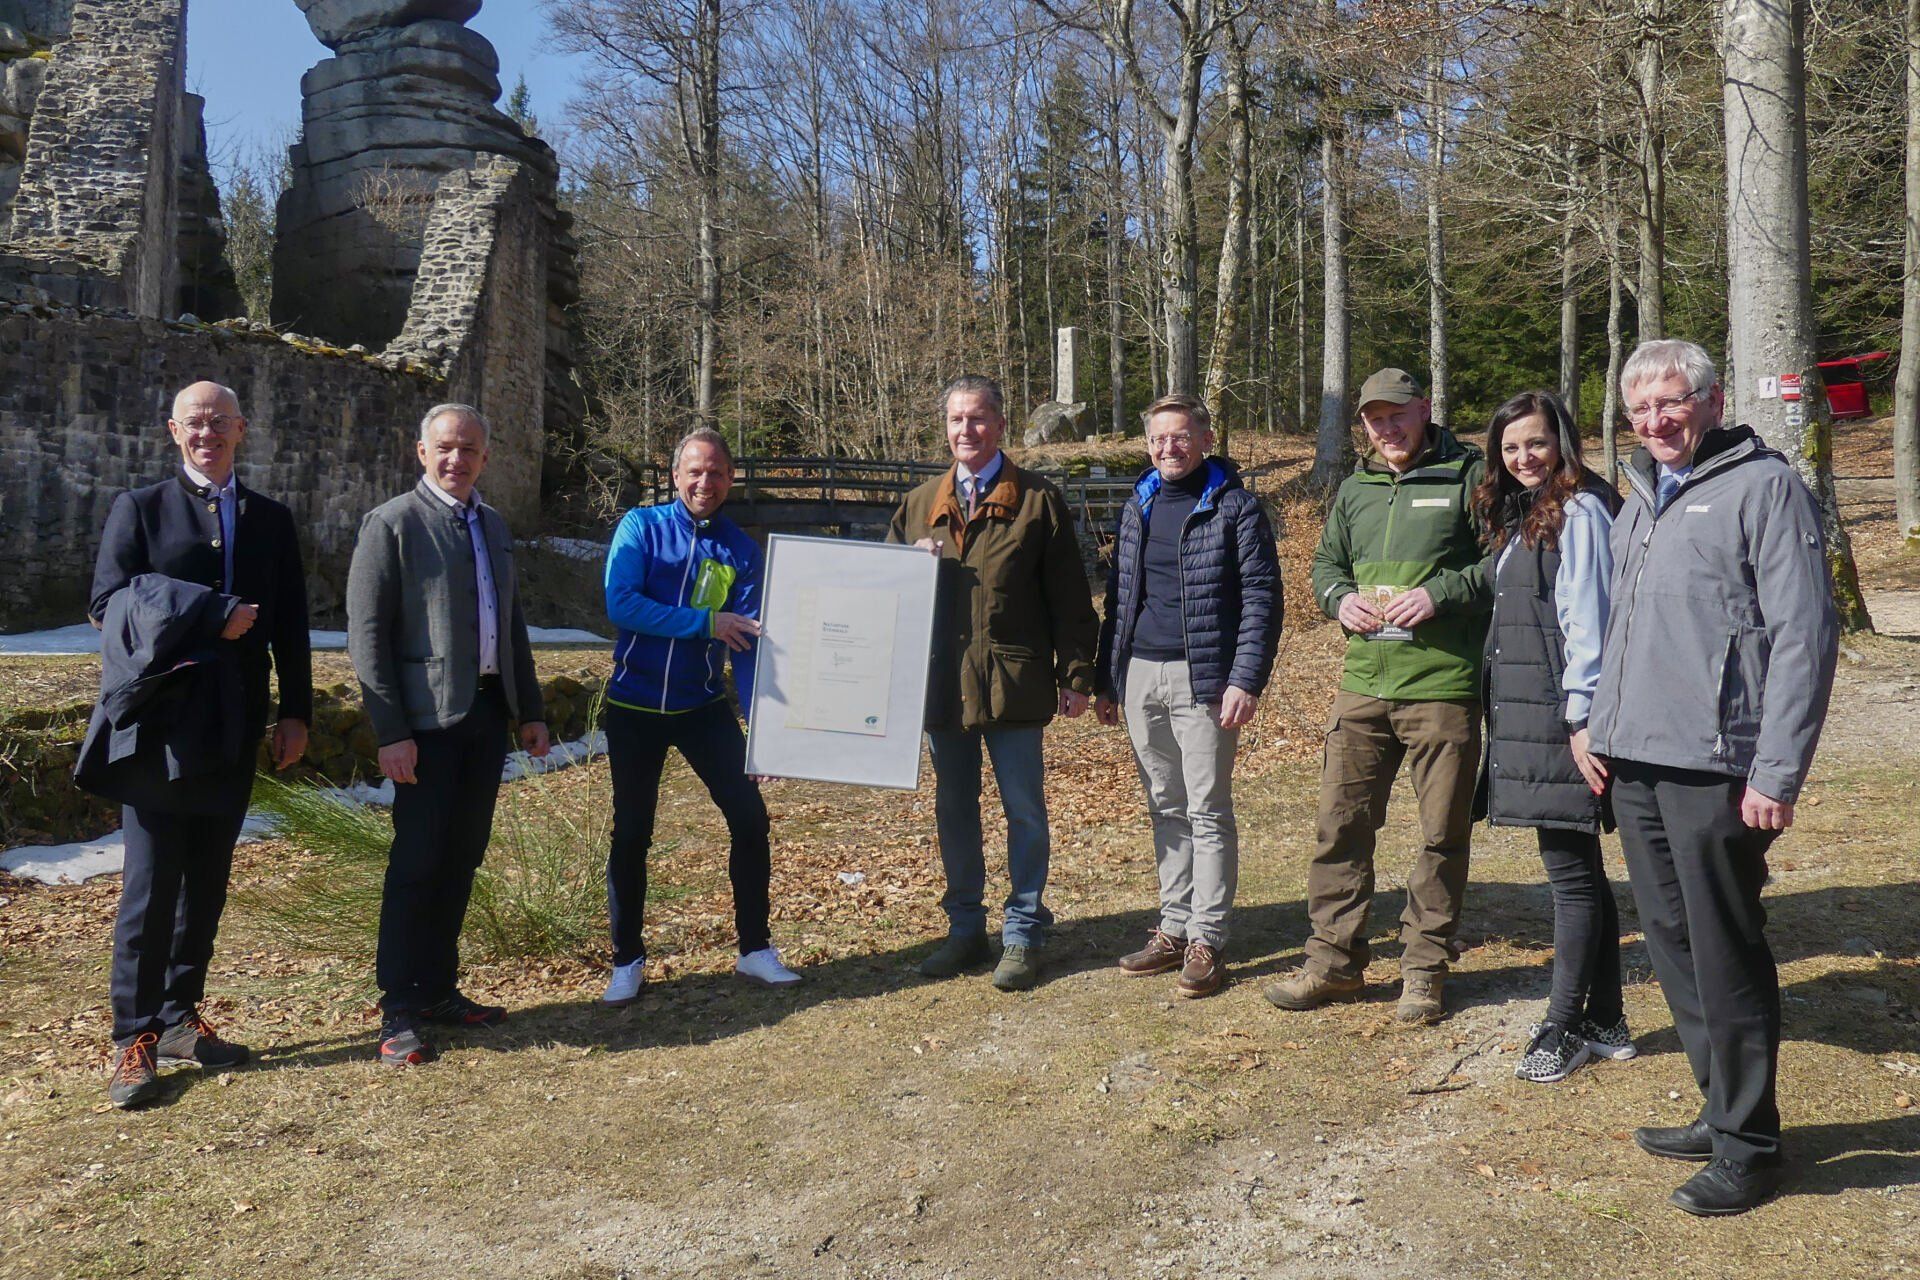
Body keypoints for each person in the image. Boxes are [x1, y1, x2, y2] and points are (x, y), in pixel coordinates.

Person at [1587, 340, 1838, 1216]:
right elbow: (1625, 633)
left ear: (1711, 400)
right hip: (1638, 763)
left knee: (1725, 950)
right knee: (1673, 945)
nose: (1655, 422)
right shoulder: (1640, 502)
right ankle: (1721, 1108)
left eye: (1671, 403)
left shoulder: (1764, 489)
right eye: (1640, 409)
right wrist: (1598, 731)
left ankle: (1752, 1147)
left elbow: (1803, 637)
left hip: (1718, 768)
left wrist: (1777, 770)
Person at [78, 381, 312, 1110]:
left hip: (236, 721)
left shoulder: (271, 519)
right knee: (150, 886)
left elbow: (293, 626)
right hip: (157, 724)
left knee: (207, 882)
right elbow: (105, 606)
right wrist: (209, 612)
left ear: (241, 428)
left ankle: (180, 1018)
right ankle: (133, 1037)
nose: (206, 433)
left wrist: (295, 713)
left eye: (219, 422)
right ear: (172, 430)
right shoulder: (140, 508)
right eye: (194, 423)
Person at [1266, 367, 1490, 1025]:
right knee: (1341, 827)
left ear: (1424, 409)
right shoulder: (1357, 490)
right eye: (1373, 418)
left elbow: (1502, 558)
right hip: (1364, 686)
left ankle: (1423, 972)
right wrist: (1341, 600)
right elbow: (1325, 567)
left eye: (1397, 414)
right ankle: (1333, 964)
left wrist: (1441, 593)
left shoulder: (1468, 476)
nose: (1385, 428)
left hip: (1442, 688)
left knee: (1441, 835)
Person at [347, 403, 550, 1067]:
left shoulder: (492, 525)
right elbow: (367, 634)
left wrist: (531, 710)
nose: (456, 459)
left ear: (484, 458)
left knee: (461, 859)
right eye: (444, 448)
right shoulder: (392, 524)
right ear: (421, 451)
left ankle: (437, 990)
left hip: (486, 718)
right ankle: (399, 1007)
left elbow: (511, 621)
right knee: (418, 863)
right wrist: (391, 732)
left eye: (468, 450)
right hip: (425, 727)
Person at [889, 374, 1100, 992]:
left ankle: (1024, 933)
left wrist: (1078, 672)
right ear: (944, 428)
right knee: (954, 811)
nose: (966, 431)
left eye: (978, 419)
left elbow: (1069, 599)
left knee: (1024, 812)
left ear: (1001, 425)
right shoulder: (918, 504)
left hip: (1013, 680)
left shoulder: (1037, 500)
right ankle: (964, 931)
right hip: (942, 688)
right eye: (956, 420)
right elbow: (881, 599)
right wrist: (910, 571)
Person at [598, 427, 799, 1004]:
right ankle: (627, 959)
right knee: (632, 832)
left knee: (749, 818)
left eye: (716, 473)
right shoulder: (640, 528)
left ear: (730, 479)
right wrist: (703, 623)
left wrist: (769, 734)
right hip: (633, 706)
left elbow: (756, 643)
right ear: (674, 476)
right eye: (694, 471)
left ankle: (755, 950)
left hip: (702, 707)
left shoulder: (740, 549)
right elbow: (622, 604)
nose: (704, 483)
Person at [1094, 394, 1282, 999]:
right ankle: (1173, 925)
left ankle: (1208, 937)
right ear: (1148, 445)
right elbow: (1120, 598)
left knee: (1206, 808)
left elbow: (1261, 598)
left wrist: (1244, 679)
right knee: (1164, 804)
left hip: (1204, 677)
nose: (1169, 448)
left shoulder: (1235, 508)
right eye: (1158, 439)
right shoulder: (1138, 504)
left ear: (1203, 439)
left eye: (1180, 437)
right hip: (1140, 674)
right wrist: (1107, 677)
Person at [1469, 391, 1632, 1083]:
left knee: (1568, 875)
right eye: (1510, 448)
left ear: (1561, 441)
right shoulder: (1528, 515)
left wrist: (1581, 718)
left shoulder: (1583, 512)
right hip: (1535, 716)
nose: (1523, 457)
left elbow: (1587, 620)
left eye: (1534, 443)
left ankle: (1561, 1025)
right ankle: (1607, 1019)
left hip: (1565, 720)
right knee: (1580, 870)